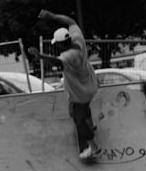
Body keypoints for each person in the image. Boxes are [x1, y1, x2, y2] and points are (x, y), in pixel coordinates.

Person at [29, 10, 101, 160]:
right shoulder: (78, 38)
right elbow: (71, 22)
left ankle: (94, 147)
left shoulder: (68, 56)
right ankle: (91, 123)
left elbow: (56, 62)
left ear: (61, 44)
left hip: (80, 93)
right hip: (91, 85)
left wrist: (40, 56)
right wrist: (52, 16)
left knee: (78, 119)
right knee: (78, 109)